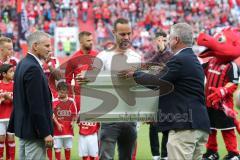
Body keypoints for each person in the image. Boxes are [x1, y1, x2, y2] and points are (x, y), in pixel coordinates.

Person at [129, 23, 210, 159]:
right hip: (199, 124)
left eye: (170, 37)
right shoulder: (193, 59)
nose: (168, 41)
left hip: (184, 127)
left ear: (176, 39)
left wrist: (135, 74)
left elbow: (157, 82)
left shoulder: (179, 59)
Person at [94, 18, 141, 160]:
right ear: (114, 33)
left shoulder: (136, 57)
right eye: (122, 34)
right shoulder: (103, 57)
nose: (126, 37)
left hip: (130, 117)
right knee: (105, 157)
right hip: (109, 117)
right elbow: (92, 84)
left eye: (128, 33)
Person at [7, 31, 54, 160]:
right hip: (34, 133)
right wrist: (45, 133)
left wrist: (12, 128)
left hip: (23, 131)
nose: (50, 50)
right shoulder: (33, 68)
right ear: (35, 46)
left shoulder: (22, 64)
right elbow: (36, 105)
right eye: (47, 46)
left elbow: (18, 100)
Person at [146, 30, 173, 160]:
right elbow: (148, 66)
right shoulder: (155, 55)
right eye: (158, 40)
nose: (160, 42)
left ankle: (165, 155)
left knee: (167, 126)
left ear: (167, 41)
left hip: (167, 95)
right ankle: (156, 155)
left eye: (163, 39)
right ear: (155, 41)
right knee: (153, 126)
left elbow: (165, 70)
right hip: (154, 95)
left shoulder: (170, 55)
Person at [65, 31, 97, 112]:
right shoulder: (73, 59)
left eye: (92, 40)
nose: (91, 43)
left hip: (96, 96)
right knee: (80, 123)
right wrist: (70, 99)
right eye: (88, 41)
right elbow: (67, 80)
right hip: (80, 98)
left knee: (96, 123)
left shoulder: (98, 56)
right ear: (81, 42)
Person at [47, 81, 77, 160]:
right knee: (57, 148)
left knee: (68, 148)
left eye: (63, 91)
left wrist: (72, 122)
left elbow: (74, 114)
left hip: (68, 131)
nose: (61, 93)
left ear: (67, 91)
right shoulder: (54, 101)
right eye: (60, 92)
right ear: (57, 91)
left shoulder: (71, 101)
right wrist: (57, 124)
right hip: (57, 132)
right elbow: (52, 114)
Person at [0, 64, 15, 160]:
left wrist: (8, 97)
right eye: (11, 71)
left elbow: (18, 101)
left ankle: (11, 158)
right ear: (4, 74)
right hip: (0, 118)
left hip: (11, 117)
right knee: (1, 139)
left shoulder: (14, 85)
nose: (13, 73)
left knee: (11, 139)